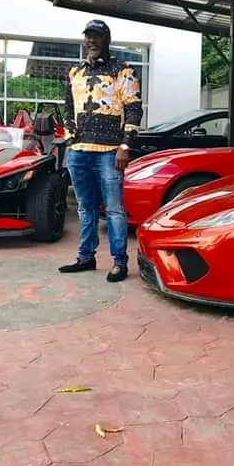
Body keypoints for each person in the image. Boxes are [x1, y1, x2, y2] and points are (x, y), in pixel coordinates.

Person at [59, 19, 143, 282]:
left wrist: (125, 145)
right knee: (85, 208)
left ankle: (119, 262)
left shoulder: (122, 70)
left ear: (107, 40)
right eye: (88, 36)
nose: (91, 41)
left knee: (115, 210)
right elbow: (68, 107)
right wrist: (71, 137)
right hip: (78, 151)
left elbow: (134, 109)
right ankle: (86, 257)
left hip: (110, 151)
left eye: (96, 36)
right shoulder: (75, 72)